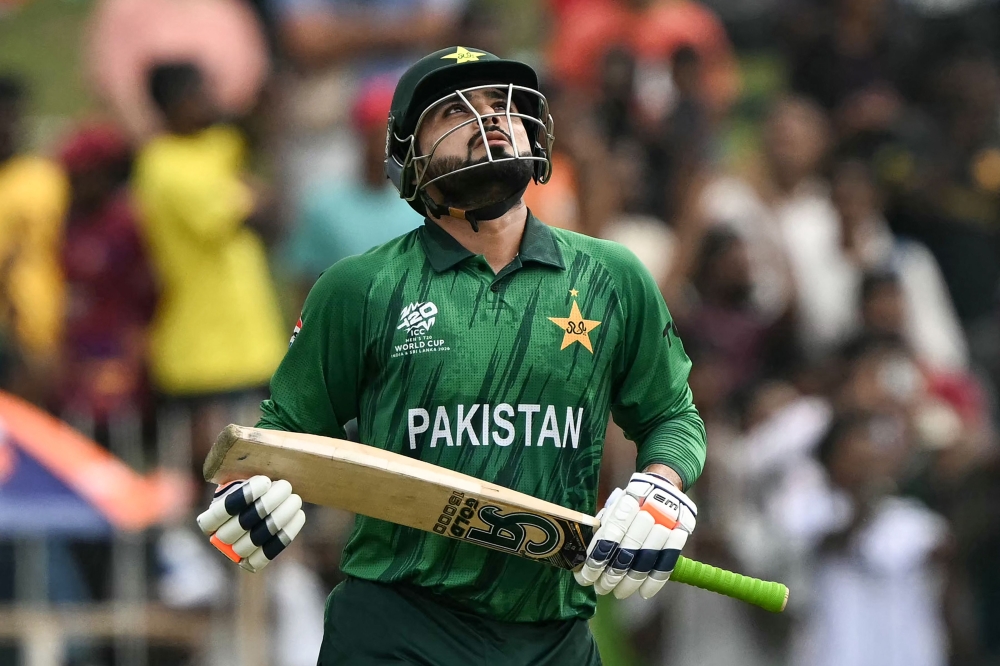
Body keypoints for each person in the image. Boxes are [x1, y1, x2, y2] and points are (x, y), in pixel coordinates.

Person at [196, 47, 707, 664]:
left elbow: (672, 416)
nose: (488, 119)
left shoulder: (613, 276)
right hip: (397, 624)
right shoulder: (360, 287)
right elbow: (282, 434)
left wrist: (660, 485)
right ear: (408, 158)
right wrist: (247, 489)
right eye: (453, 113)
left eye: (502, 105)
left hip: (552, 633)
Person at [131, 62, 288, 470]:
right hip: (203, 347)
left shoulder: (212, 145)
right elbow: (259, 218)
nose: (210, 102)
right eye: (200, 94)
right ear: (176, 103)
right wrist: (258, 197)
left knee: (259, 471)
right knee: (214, 471)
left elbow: (271, 210)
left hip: (248, 337)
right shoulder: (164, 164)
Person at [281, 75, 421, 304]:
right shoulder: (324, 206)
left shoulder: (419, 208)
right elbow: (304, 285)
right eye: (377, 131)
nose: (385, 142)